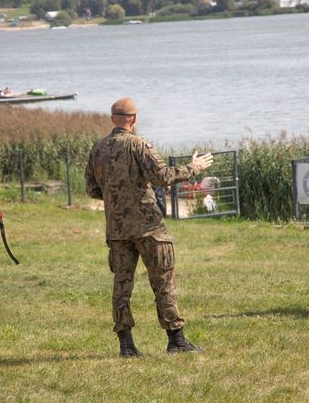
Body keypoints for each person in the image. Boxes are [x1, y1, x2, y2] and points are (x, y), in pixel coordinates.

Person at [85, 97, 214, 356]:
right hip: (149, 228)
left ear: (112, 119)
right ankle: (176, 341)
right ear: (134, 119)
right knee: (163, 282)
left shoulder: (98, 149)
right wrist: (194, 167)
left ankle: (126, 345)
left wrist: (117, 200)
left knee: (122, 287)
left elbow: (92, 189)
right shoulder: (139, 144)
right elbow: (162, 176)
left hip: (117, 230)